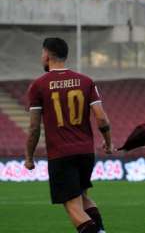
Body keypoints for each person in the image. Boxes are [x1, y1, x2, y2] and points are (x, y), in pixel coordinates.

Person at [25, 37, 113, 233]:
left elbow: (33, 128)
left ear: (47, 55)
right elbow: (102, 118)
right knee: (82, 197)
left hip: (61, 154)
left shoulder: (39, 85)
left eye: (42, 54)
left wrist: (29, 157)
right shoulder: (86, 81)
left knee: (72, 205)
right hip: (85, 152)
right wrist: (108, 143)